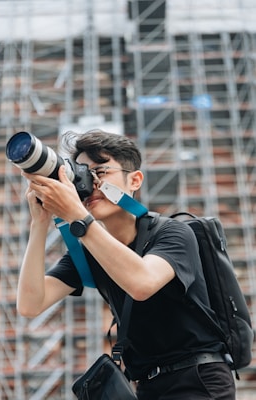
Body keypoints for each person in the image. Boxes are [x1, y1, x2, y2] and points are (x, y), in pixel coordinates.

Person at [17, 129, 236, 400]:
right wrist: (39, 224)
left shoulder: (172, 233)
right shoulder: (90, 250)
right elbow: (30, 305)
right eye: (82, 174)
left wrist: (77, 215)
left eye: (102, 172)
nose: (91, 183)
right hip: (145, 386)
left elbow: (141, 283)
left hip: (198, 379)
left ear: (135, 180)